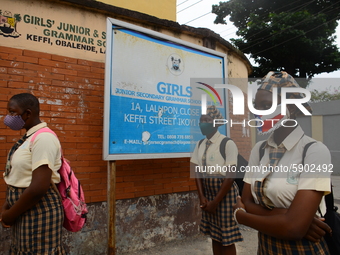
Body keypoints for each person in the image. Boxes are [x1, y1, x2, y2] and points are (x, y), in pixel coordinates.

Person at [233, 71, 332, 254]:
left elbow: (293, 229)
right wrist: (295, 218)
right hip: (265, 247)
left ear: (292, 108)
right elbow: (246, 200)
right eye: (257, 106)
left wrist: (241, 216)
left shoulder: (314, 151)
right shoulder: (259, 150)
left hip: (304, 249)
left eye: (266, 105)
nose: (259, 112)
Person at [1, 93, 66, 254]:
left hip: (39, 211)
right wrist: (8, 205)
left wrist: (10, 214)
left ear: (28, 113)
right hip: (23, 209)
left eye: (12, 112)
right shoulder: (28, 137)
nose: (8, 117)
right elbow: (19, 175)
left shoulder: (43, 138)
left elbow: (38, 187)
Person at [190, 105, 243, 255]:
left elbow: (230, 176)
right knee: (215, 235)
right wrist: (202, 197)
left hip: (224, 195)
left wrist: (215, 202)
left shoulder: (227, 143)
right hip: (208, 195)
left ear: (216, 122)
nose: (202, 123)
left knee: (226, 238)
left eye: (207, 120)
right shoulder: (199, 144)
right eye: (201, 121)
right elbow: (197, 171)